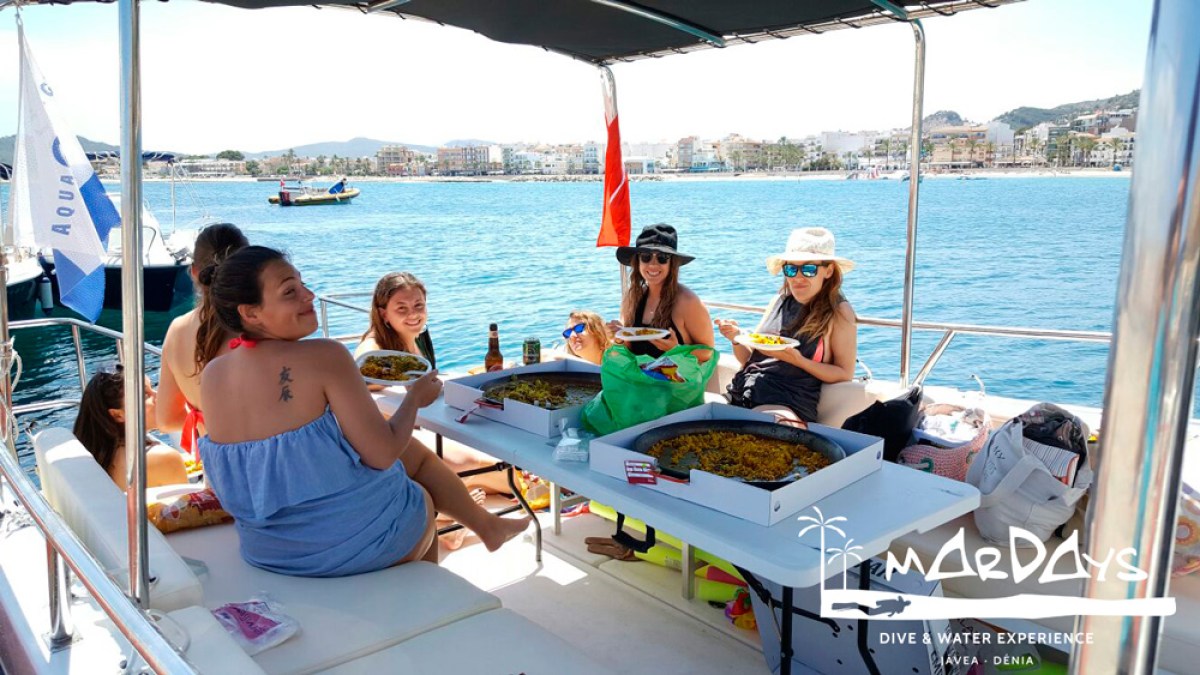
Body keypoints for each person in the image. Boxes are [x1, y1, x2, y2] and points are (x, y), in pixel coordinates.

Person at [198, 247, 529, 576]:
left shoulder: (213, 373)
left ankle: (486, 527)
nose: (309, 295)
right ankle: (426, 600)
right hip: (343, 548)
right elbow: (382, 455)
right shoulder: (325, 355)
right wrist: (414, 398)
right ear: (251, 313)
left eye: (302, 284)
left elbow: (268, 456)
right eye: (290, 292)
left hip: (267, 548)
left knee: (412, 453)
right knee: (416, 497)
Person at [356, 271, 509, 522]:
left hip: (421, 424)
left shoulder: (414, 339)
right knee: (482, 461)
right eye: (401, 308)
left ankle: (453, 508)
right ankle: (445, 516)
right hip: (394, 438)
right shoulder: (374, 347)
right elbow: (359, 376)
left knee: (494, 454)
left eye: (418, 305)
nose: (413, 314)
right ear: (384, 313)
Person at [716, 227, 858, 426]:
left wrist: (799, 361)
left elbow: (844, 373)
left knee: (767, 426)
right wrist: (736, 338)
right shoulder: (780, 300)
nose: (798, 277)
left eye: (808, 269)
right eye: (791, 268)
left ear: (828, 270)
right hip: (744, 390)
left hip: (788, 401)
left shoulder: (838, 311)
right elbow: (749, 359)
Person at [156, 223, 249, 454]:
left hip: (216, 473)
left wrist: (203, 418)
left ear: (194, 272)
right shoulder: (258, 326)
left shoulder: (177, 330)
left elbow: (166, 419)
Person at [608, 224, 714, 360]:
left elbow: (708, 353)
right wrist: (618, 336)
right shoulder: (632, 298)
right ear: (638, 261)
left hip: (676, 380)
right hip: (640, 377)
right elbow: (629, 348)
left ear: (672, 264)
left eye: (662, 257)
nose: (653, 264)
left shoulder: (687, 301)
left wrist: (676, 350)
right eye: (646, 256)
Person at [73, 367, 188, 491]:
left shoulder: (97, 457)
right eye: (145, 395)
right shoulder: (163, 458)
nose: (158, 396)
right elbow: (191, 509)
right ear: (118, 415)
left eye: (152, 387)